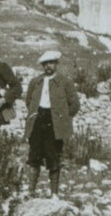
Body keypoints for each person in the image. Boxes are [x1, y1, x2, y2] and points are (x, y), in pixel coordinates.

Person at [24, 49, 79, 197]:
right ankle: (31, 191)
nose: (48, 66)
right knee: (34, 156)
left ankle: (54, 193)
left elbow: (74, 104)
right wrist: (34, 113)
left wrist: (63, 119)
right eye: (45, 63)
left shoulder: (64, 82)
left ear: (56, 64)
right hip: (37, 119)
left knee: (53, 156)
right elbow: (28, 101)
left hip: (55, 123)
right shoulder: (35, 82)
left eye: (51, 63)